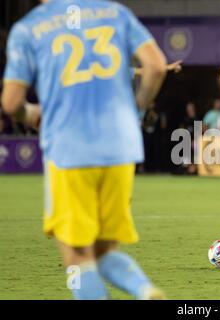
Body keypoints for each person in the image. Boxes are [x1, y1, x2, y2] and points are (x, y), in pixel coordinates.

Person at [2, 0, 167, 299]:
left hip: (69, 149)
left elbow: (11, 103)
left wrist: (30, 114)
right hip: (120, 147)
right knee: (104, 251)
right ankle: (143, 290)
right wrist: (137, 109)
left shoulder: (28, 28)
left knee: (78, 258)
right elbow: (156, 66)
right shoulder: (115, 13)